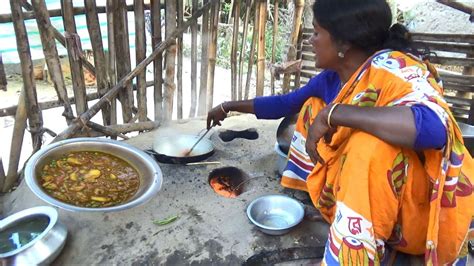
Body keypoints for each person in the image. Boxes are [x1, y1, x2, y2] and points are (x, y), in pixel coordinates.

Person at [207, 0, 474, 264]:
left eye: (316, 32)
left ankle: (355, 250)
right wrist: (227, 107)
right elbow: (284, 103)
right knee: (313, 107)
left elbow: (435, 128)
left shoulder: (394, 70)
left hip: (416, 216)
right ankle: (333, 207)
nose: (311, 40)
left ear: (344, 42)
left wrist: (334, 114)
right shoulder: (333, 78)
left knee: (367, 145)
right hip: (374, 204)